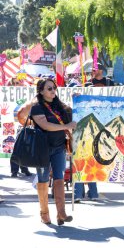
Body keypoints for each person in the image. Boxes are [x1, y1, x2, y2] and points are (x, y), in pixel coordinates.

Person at [30, 78, 76, 225]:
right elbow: (45, 125)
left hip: (59, 148)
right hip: (42, 149)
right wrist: (66, 126)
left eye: (54, 88)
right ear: (41, 91)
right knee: (43, 180)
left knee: (59, 178)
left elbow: (74, 113)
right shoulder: (36, 107)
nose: (53, 91)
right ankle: (44, 214)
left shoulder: (60, 106)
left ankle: (61, 213)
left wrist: (77, 99)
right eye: (49, 88)